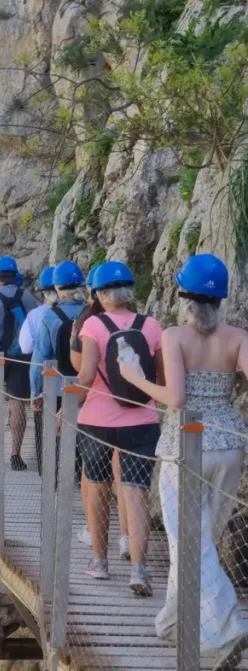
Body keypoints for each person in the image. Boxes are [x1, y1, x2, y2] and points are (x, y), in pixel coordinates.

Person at [117, 254, 248, 667]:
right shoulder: (239, 337)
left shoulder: (174, 336)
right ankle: (175, 620)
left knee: (188, 541)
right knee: (201, 540)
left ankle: (229, 628)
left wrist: (134, 377)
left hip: (185, 445)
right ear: (221, 298)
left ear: (182, 296)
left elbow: (175, 399)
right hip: (229, 443)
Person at [75, 261, 162, 596]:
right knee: (136, 491)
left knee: (98, 488)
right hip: (142, 422)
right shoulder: (151, 326)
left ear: (99, 294)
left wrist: (64, 403)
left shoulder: (93, 325)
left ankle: (100, 562)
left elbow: (86, 375)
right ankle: (138, 571)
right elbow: (160, 377)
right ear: (130, 291)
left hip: (97, 421)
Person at [70, 263, 131, 557]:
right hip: (135, 410)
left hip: (97, 408)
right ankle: (127, 537)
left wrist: (69, 403)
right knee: (126, 478)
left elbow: (81, 369)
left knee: (94, 477)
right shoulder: (144, 322)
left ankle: (94, 537)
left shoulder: (87, 323)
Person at [0, 256, 39, 470]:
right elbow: (34, 330)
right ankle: (15, 454)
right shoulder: (27, 297)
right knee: (17, 404)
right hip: (22, 357)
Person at [31, 262, 84, 478]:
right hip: (86, 387)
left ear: (57, 289)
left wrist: (35, 391)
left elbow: (41, 356)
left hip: (58, 387)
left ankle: (54, 481)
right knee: (83, 437)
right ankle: (80, 478)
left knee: (55, 435)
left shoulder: (50, 316)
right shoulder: (90, 314)